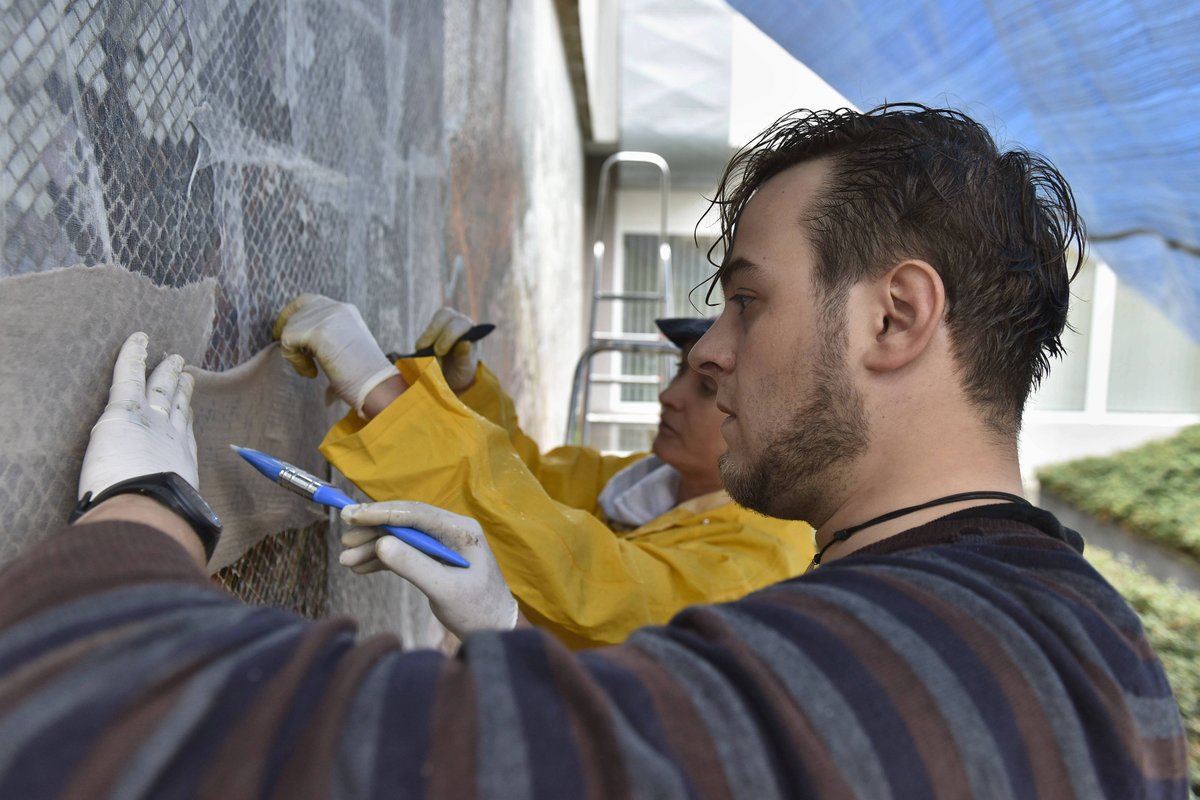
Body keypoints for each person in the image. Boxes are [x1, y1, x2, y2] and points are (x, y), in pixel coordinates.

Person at [0, 104, 1187, 798]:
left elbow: (122, 721)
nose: (713, 355)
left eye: (747, 301)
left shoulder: (903, 663)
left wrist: (141, 518)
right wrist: (506, 636)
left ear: (895, 316)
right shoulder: (1103, 662)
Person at [273, 301, 814, 648]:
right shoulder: (657, 484)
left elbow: (583, 571)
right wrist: (467, 392)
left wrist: (379, 391)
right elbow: (530, 489)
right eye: (679, 374)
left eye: (705, 389)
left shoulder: (753, 562)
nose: (668, 397)